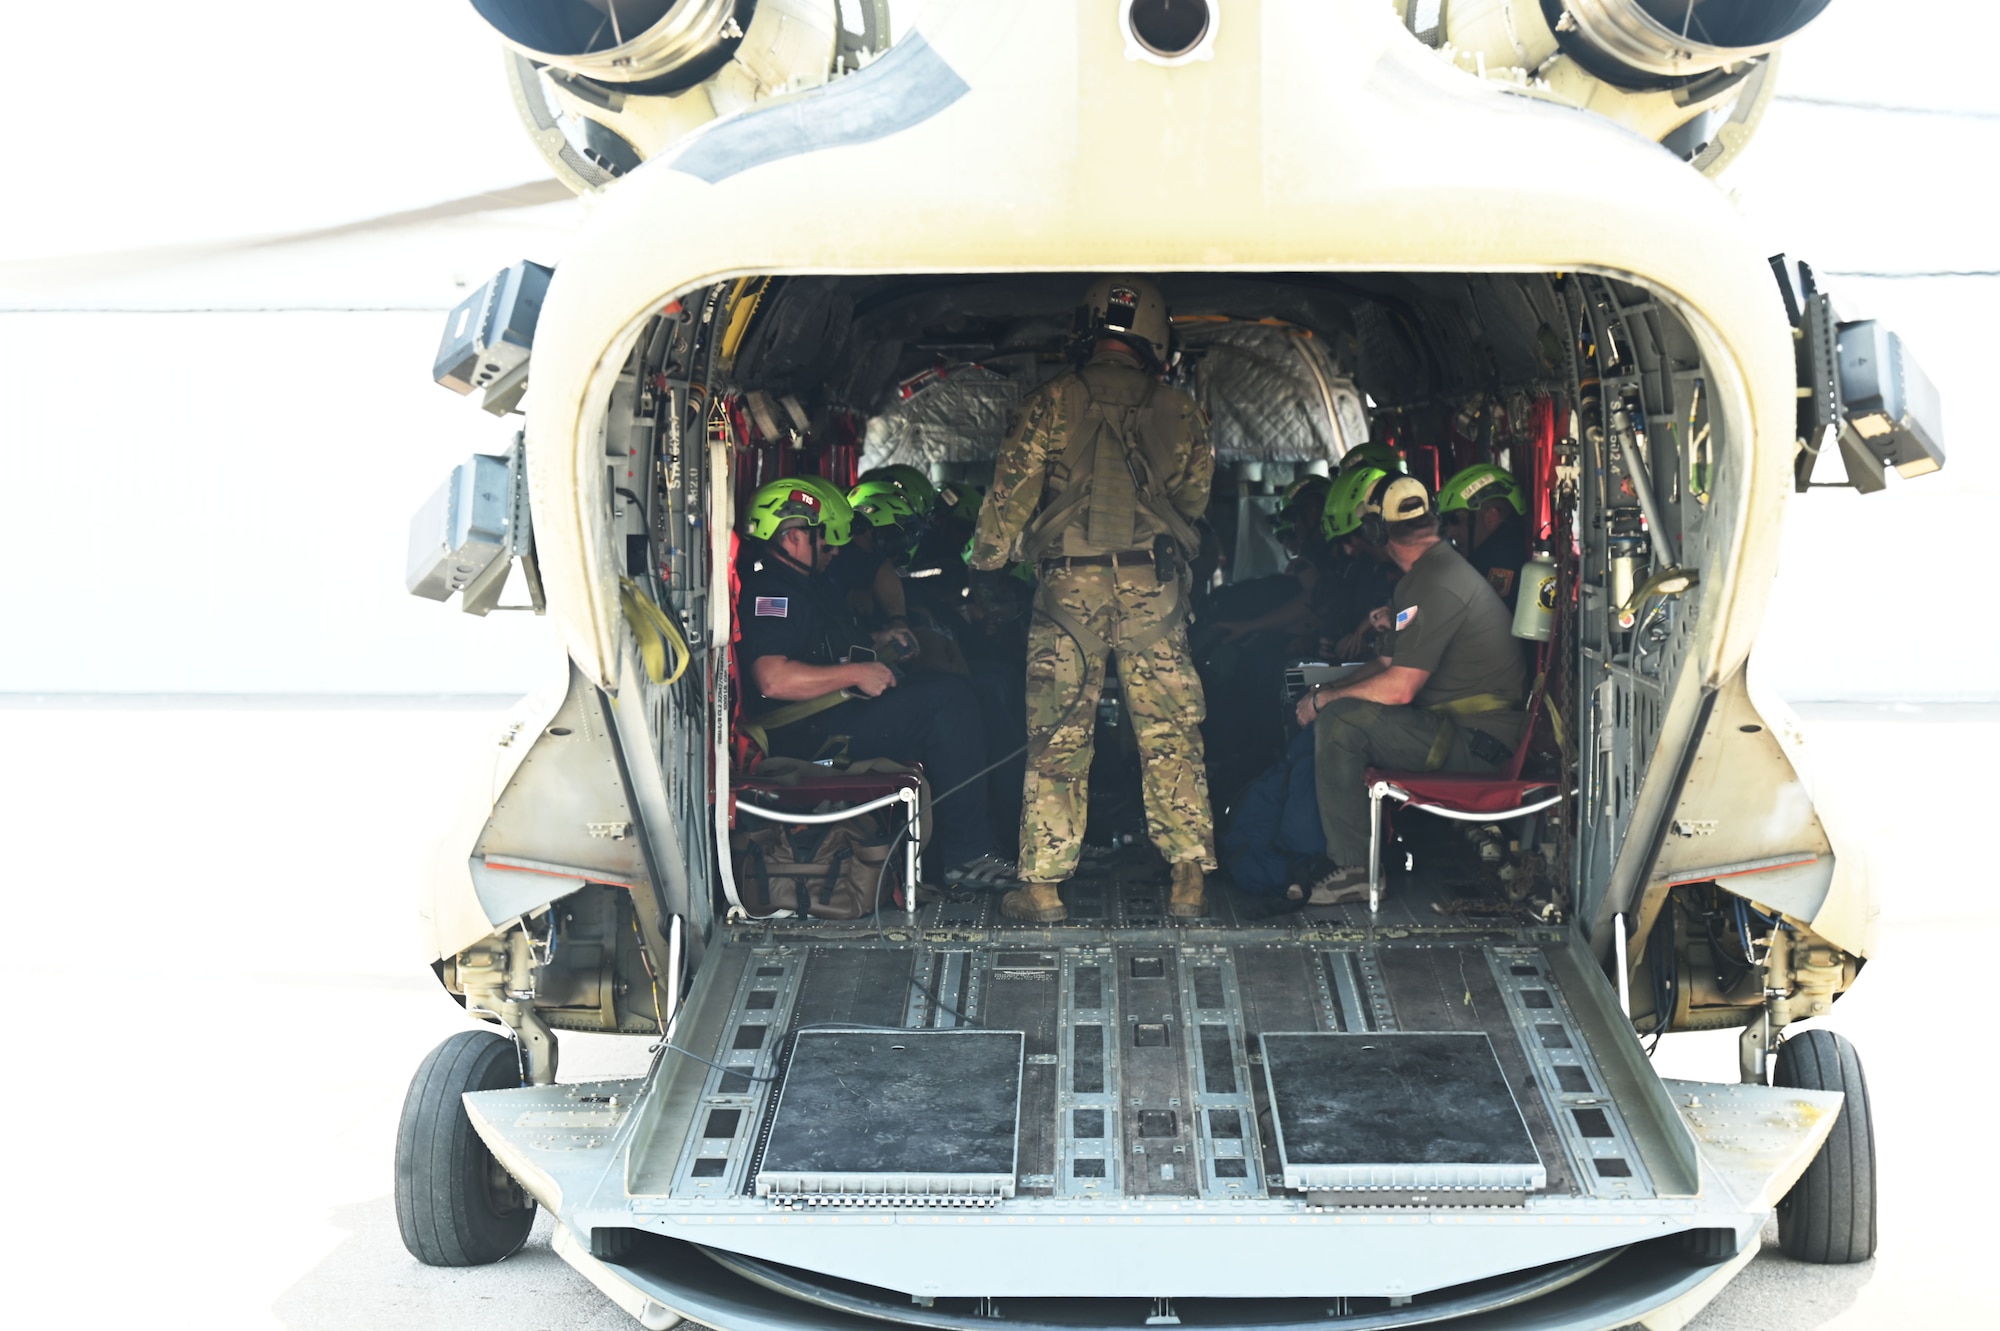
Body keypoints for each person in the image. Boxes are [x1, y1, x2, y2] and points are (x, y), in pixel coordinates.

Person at [969, 276, 1216, 922]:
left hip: (1068, 594)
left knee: (1059, 734)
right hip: (1152, 592)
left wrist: (987, 562)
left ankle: (1045, 887)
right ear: (1155, 338)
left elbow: (1009, 496)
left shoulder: (1051, 402)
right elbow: (1193, 502)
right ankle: (1188, 877)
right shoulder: (1181, 412)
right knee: (1169, 731)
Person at [736, 476, 1010, 882]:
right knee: (948, 702)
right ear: (794, 536)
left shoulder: (802, 583)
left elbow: (817, 644)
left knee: (973, 690)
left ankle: (994, 837)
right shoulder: (773, 594)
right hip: (805, 735)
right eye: (827, 542)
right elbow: (772, 679)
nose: (834, 552)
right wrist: (855, 673)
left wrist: (876, 640)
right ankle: (966, 855)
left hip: (830, 716)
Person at [1291, 473, 1528, 903]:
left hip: (1477, 743)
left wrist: (1326, 699)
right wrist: (1319, 694)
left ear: (1375, 531)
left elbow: (1399, 687)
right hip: (1453, 728)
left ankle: (1356, 870)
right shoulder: (1422, 579)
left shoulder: (1437, 582)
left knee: (1344, 724)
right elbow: (1386, 661)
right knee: (1337, 709)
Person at [1438, 463, 1531, 607]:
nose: (1450, 532)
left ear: (1491, 517)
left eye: (1456, 519)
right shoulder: (1481, 561)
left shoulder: (1499, 566)